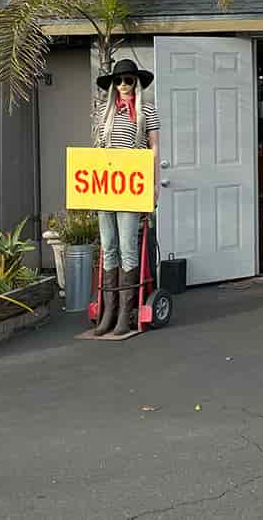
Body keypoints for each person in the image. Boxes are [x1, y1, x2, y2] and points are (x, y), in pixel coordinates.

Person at [91, 58, 159, 337]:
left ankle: (124, 313)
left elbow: (154, 149)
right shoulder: (104, 114)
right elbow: (97, 151)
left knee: (129, 247)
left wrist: (153, 185)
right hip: (107, 189)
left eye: (128, 80)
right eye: (118, 81)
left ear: (136, 83)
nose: (123, 85)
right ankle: (108, 310)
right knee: (109, 246)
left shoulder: (147, 111)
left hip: (132, 188)